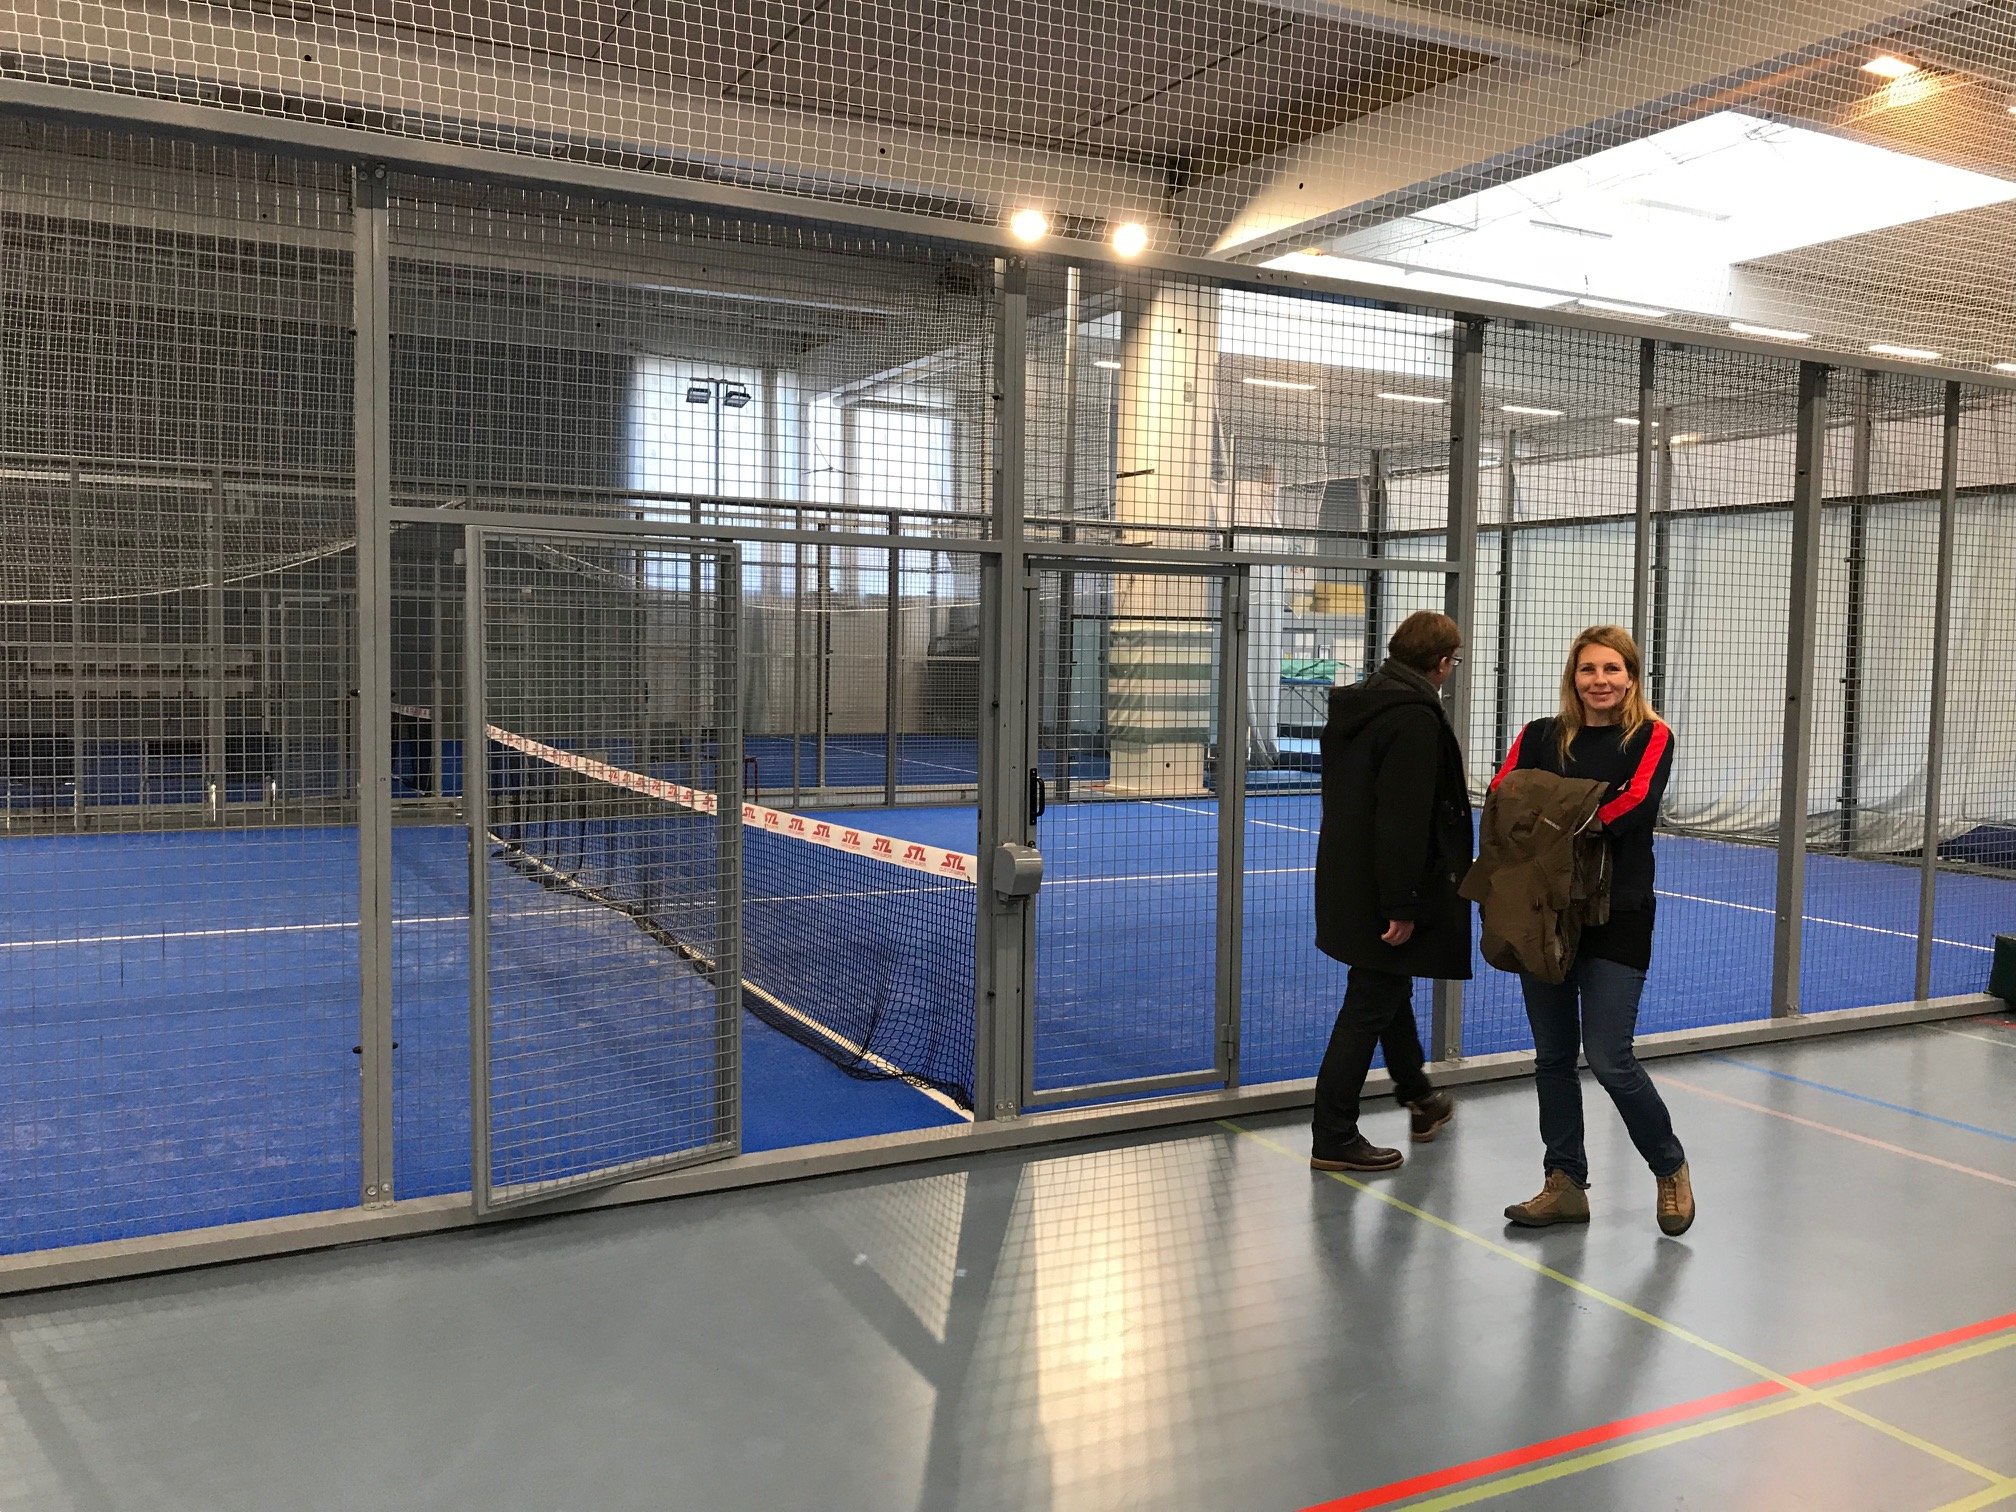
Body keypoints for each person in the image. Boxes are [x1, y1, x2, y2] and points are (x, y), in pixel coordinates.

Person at [1493, 626, 1694, 1236]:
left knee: (1610, 1057)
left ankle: (1669, 1165)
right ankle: (1564, 1183)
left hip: (1619, 915)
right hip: (1543, 913)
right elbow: (1504, 795)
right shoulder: (1538, 735)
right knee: (1553, 1057)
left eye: (1612, 669)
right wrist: (1577, 806)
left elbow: (1630, 808)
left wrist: (1553, 810)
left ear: (1631, 677)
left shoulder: (1651, 736)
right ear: (1573, 676)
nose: (1599, 681)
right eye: (1588, 669)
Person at [1310, 610, 1473, 1172]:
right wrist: (1400, 904)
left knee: (1386, 988)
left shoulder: (1360, 705)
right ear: (1442, 663)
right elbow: (1403, 820)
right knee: (1369, 1003)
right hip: (1386, 889)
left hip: (1349, 880)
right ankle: (1333, 1134)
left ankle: (1420, 1098)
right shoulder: (1414, 719)